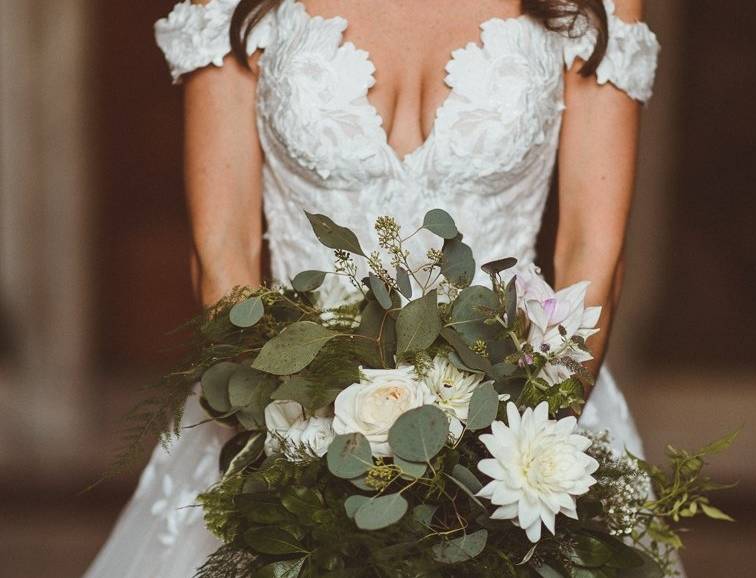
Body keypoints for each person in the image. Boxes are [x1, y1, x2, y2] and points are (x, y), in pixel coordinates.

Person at [84, 0, 661, 575]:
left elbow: (594, 251)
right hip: (286, 421)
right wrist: (296, 454)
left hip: (525, 418)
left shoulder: (595, 7)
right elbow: (223, 253)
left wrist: (511, 464)